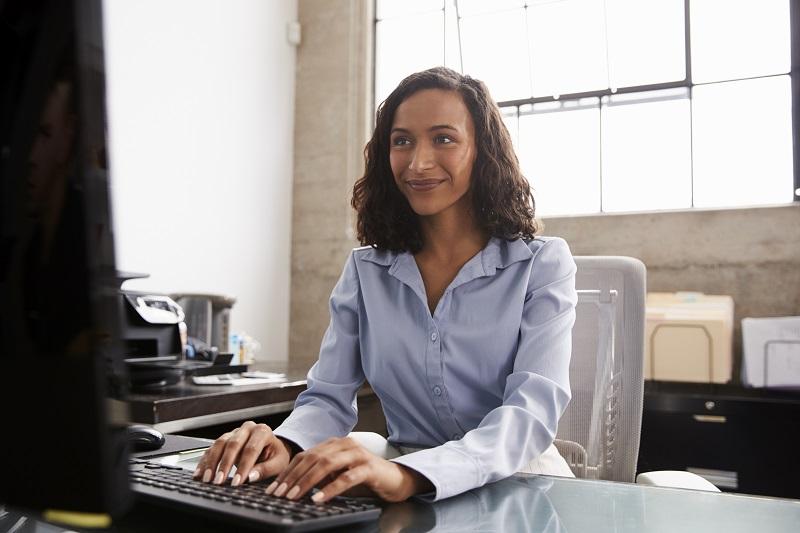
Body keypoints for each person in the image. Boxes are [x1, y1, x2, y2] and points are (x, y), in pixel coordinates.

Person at [194, 67, 577, 503]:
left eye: (443, 138)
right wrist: (283, 445)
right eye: (402, 141)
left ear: (481, 150)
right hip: (402, 490)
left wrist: (409, 474)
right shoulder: (366, 271)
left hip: (522, 487)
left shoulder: (542, 264)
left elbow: (531, 413)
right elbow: (327, 399)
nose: (418, 162)